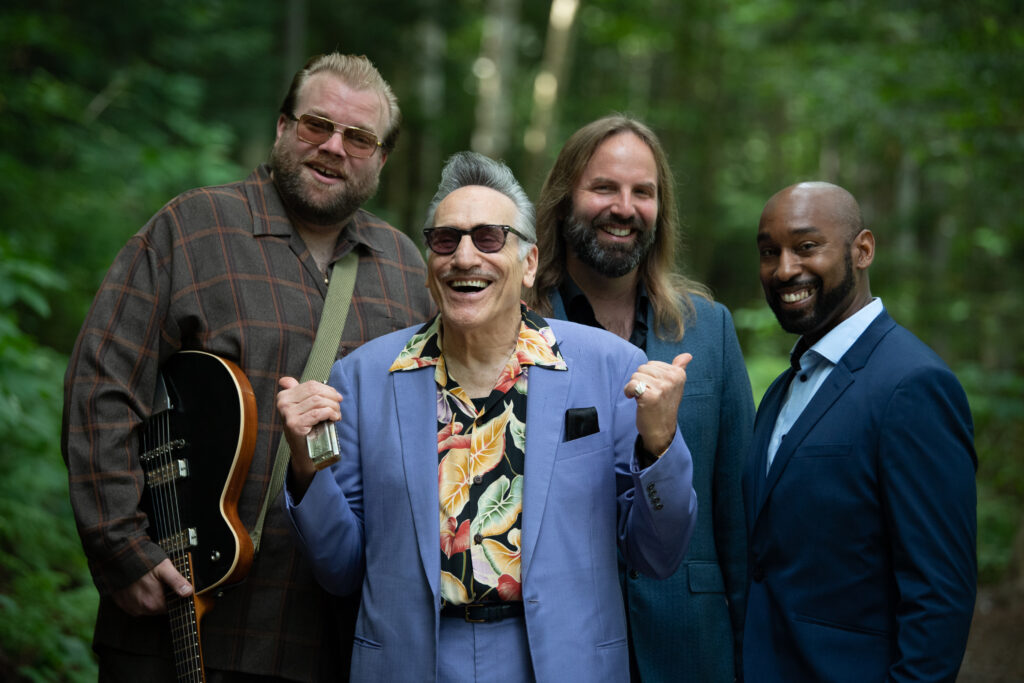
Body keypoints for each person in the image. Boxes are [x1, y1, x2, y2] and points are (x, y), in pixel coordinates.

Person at [61, 53, 435, 682]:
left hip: (325, 639)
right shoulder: (193, 228)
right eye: (317, 125)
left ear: (381, 159)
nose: (334, 147)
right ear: (283, 128)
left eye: (359, 136)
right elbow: (102, 383)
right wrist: (120, 547)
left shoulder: (406, 271)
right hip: (176, 613)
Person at [276, 151, 699, 681]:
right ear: (430, 264)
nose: (464, 257)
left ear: (527, 264)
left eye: (489, 238)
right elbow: (340, 570)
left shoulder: (609, 368)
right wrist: (305, 467)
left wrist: (659, 446)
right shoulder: (362, 379)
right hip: (413, 663)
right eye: (446, 240)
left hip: (561, 662)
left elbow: (657, 554)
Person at [527, 115, 754, 682]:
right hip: (558, 642)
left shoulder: (710, 331)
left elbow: (739, 512)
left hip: (690, 643)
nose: (624, 207)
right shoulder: (516, 325)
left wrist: (752, 649)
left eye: (643, 192)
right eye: (603, 187)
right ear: (563, 199)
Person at [743, 181, 977, 681]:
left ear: (862, 249)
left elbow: (940, 595)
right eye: (769, 252)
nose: (785, 269)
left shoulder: (913, 385)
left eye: (807, 247)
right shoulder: (782, 391)